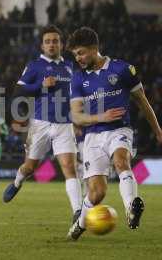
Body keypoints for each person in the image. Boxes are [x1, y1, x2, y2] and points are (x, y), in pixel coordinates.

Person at [67, 27, 162, 240]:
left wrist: (158, 130)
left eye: (81, 52)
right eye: (75, 55)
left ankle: (131, 208)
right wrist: (101, 117)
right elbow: (76, 116)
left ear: (94, 48)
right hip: (92, 137)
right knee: (97, 193)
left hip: (120, 130)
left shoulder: (122, 69)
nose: (78, 58)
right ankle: (79, 226)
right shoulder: (78, 79)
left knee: (121, 161)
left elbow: (143, 102)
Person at [3, 25, 82, 222]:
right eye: (48, 41)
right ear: (42, 45)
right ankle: (17, 182)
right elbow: (18, 93)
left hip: (64, 124)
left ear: (61, 44)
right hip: (40, 124)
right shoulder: (34, 66)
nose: (52, 44)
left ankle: (78, 212)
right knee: (29, 167)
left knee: (69, 168)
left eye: (55, 41)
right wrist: (41, 85)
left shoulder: (70, 66)